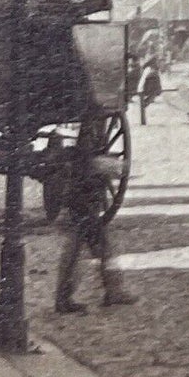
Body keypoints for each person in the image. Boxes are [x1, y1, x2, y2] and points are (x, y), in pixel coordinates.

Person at [55, 123, 136, 314]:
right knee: (82, 248)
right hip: (82, 201)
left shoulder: (79, 131)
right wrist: (114, 166)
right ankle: (65, 298)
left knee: (97, 246)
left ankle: (112, 290)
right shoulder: (84, 133)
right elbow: (85, 163)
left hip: (83, 199)